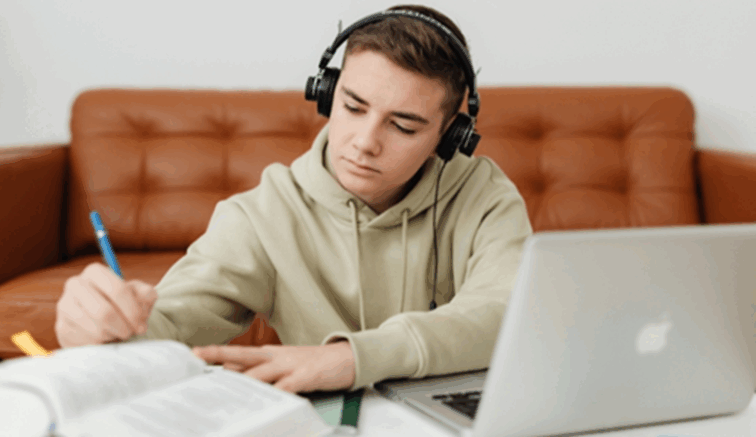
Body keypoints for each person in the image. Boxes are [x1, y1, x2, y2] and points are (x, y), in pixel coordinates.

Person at [54, 4, 533, 394]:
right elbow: (171, 322)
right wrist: (103, 326)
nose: (364, 142)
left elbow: (506, 311)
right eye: (352, 106)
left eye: (403, 126)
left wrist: (351, 358)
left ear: (451, 135)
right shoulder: (264, 213)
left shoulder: (486, 197)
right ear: (326, 93)